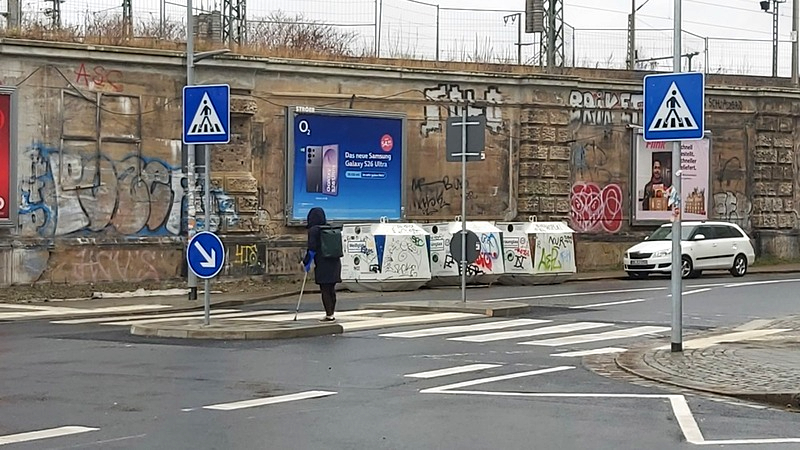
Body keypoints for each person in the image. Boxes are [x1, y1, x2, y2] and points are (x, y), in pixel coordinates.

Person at [302, 207, 342, 322]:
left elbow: (312, 249)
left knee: (324, 289)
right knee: (331, 289)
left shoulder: (314, 230)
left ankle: (329, 315)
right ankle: (331, 313)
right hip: (335, 262)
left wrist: (306, 263)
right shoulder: (330, 228)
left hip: (323, 263)